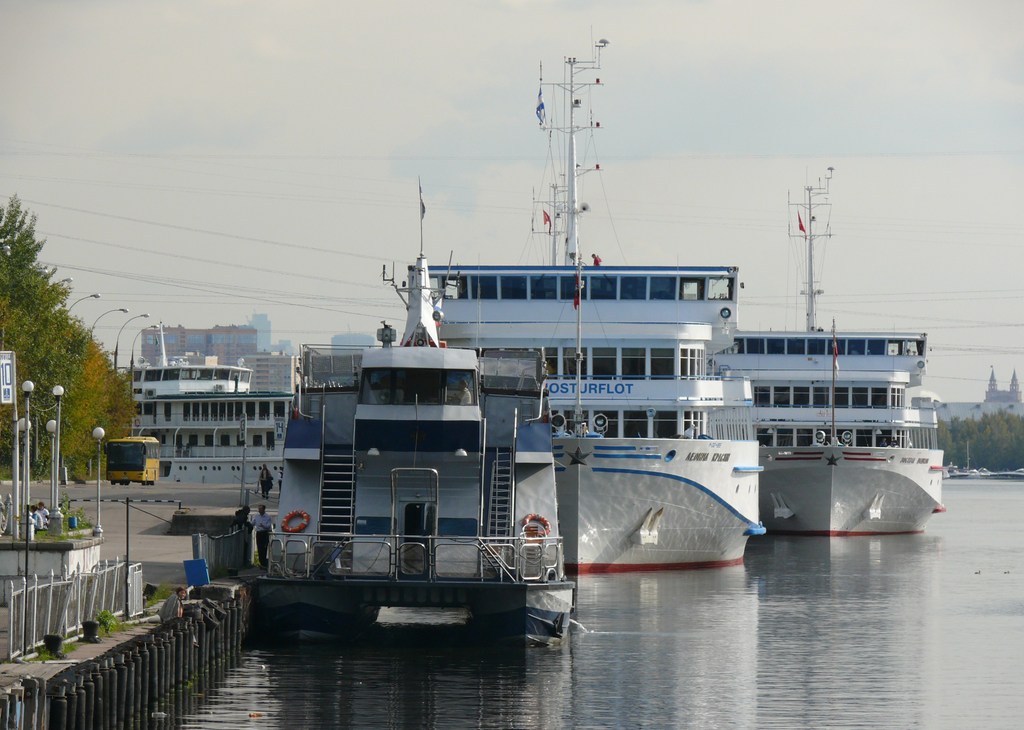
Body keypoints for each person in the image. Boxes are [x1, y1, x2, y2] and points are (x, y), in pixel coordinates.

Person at [251, 504, 273, 569]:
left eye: (260, 509)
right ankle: (261, 562)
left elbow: (268, 526)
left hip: (264, 533)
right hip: (259, 533)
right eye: (259, 509)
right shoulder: (256, 516)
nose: (259, 510)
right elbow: (253, 523)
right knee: (259, 548)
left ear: (264, 509)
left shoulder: (267, 517)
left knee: (264, 547)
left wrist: (263, 525)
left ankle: (264, 562)